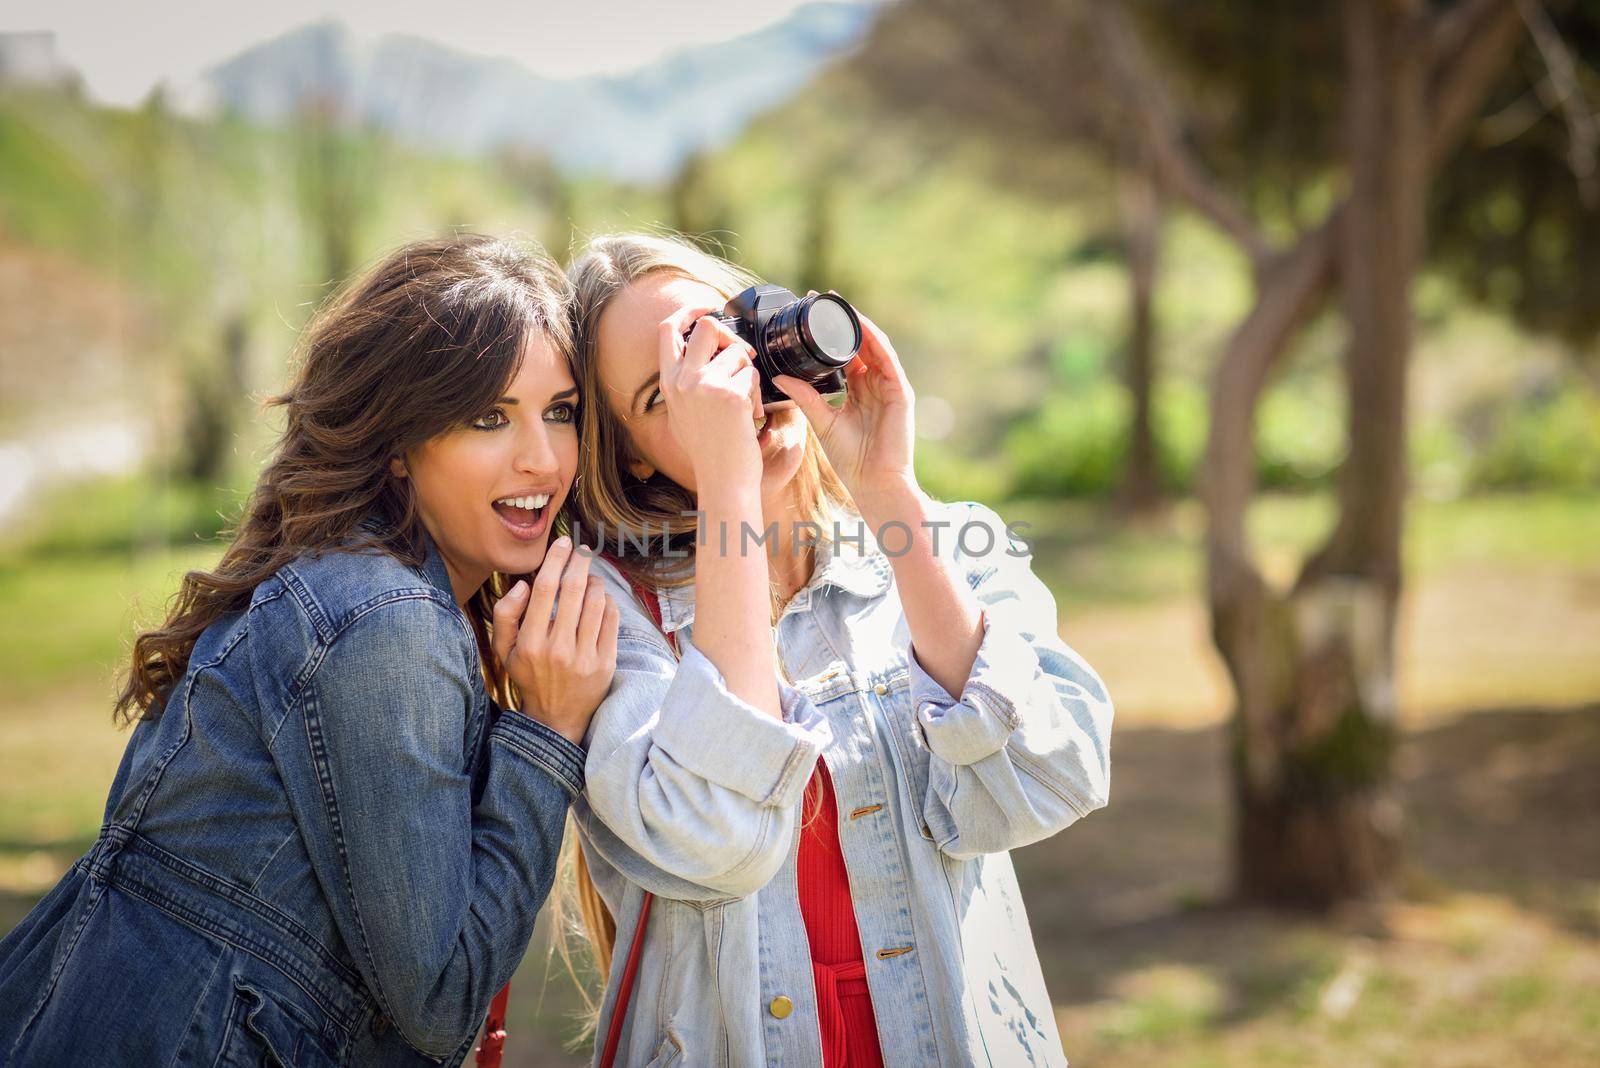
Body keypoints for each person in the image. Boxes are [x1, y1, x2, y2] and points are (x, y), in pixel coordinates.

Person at [0, 234, 617, 1068]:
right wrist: (546, 732)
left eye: (561, 411)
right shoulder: (385, 619)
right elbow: (442, 1001)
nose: (542, 459)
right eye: (486, 417)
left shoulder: (361, 585)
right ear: (398, 442)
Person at [560, 233, 1114, 1066]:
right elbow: (717, 837)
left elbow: (1055, 780)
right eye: (667, 390)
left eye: (722, 339)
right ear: (632, 460)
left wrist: (888, 489)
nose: (724, 387)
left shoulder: (947, 546)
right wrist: (730, 492)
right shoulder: (606, 615)